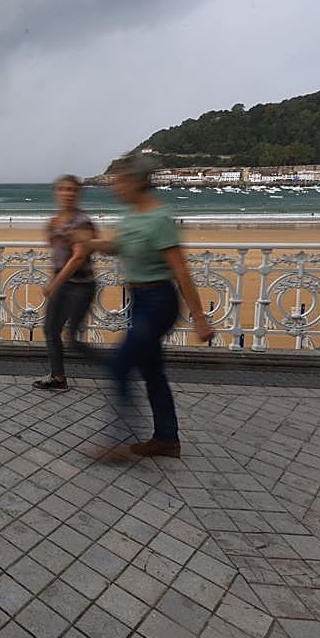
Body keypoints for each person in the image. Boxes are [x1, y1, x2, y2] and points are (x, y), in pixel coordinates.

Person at [78, 155, 213, 458]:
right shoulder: (131, 217)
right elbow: (115, 247)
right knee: (153, 371)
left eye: (121, 181)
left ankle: (117, 441)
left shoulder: (158, 218)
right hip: (139, 302)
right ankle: (167, 439)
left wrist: (200, 317)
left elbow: (181, 270)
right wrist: (88, 242)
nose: (116, 187)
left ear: (139, 181)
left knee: (120, 365)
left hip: (159, 303)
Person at [34, 175, 99, 392]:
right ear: (56, 192)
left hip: (80, 285)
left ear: (78, 193)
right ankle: (58, 377)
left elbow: (79, 257)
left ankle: (117, 367)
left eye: (72, 189)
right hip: (61, 283)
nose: (67, 193)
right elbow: (57, 251)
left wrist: (54, 283)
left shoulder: (82, 222)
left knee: (72, 337)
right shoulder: (55, 221)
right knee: (51, 330)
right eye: (63, 189)